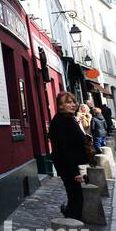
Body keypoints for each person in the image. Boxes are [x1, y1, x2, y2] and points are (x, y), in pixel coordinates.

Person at [49, 92, 90, 221]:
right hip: (68, 165)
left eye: (73, 102)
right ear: (60, 106)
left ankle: (71, 215)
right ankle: (72, 221)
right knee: (76, 196)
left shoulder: (69, 118)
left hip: (72, 164)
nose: (73, 105)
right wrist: (74, 171)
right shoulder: (61, 121)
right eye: (68, 102)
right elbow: (64, 148)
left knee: (75, 195)